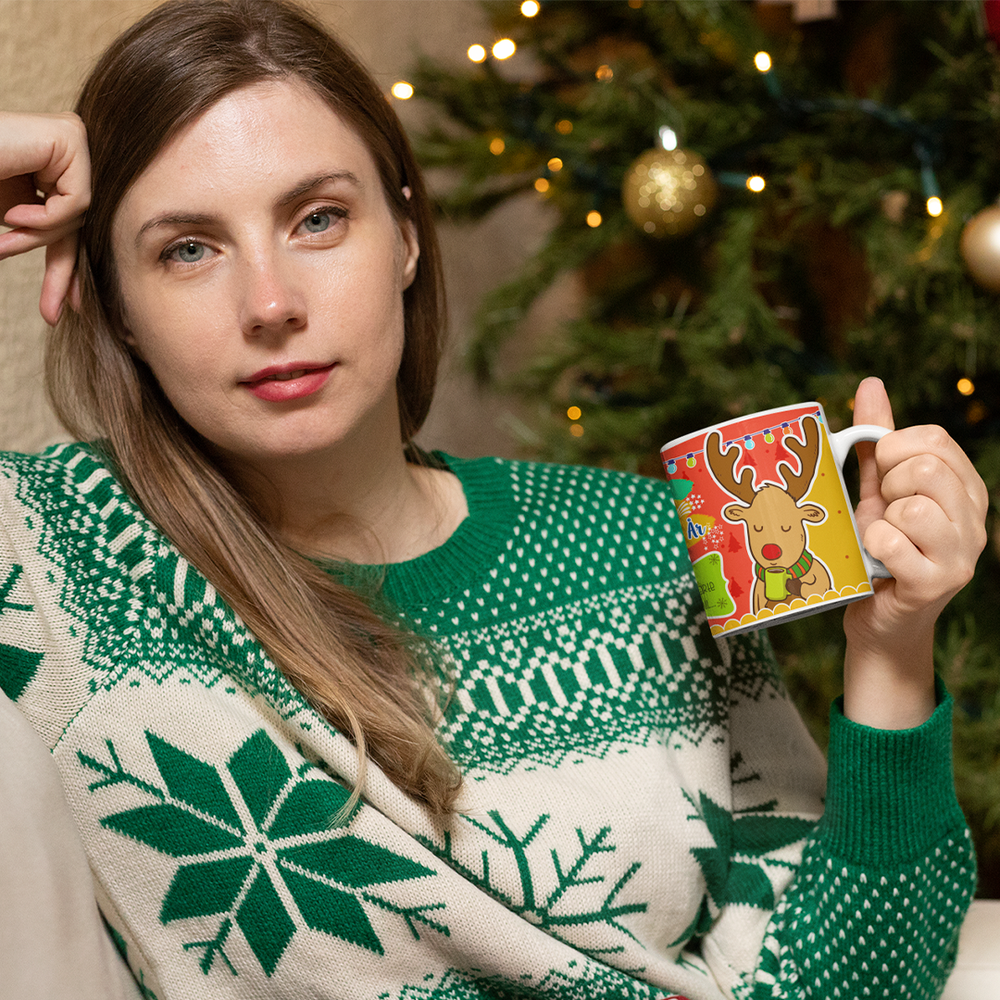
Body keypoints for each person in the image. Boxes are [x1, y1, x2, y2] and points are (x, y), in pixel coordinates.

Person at [0, 1, 988, 998]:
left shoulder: (643, 544)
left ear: (407, 239)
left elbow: (848, 979)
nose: (270, 303)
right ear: (114, 306)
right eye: (188, 249)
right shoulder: (54, 552)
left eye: (319, 220)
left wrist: (891, 649)